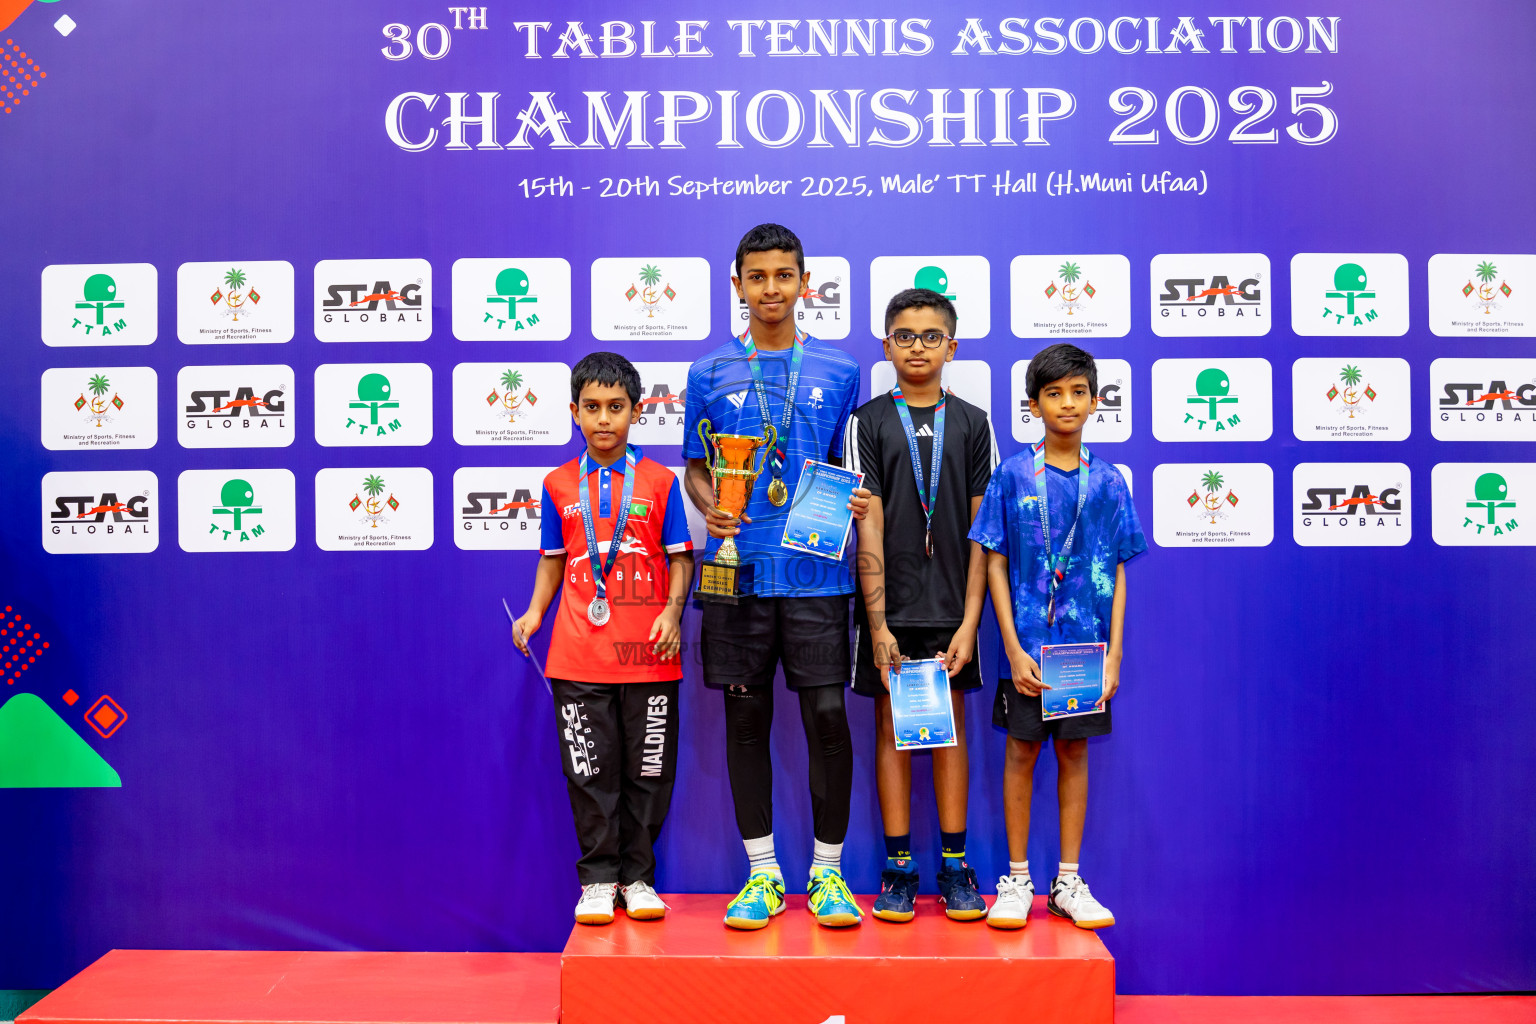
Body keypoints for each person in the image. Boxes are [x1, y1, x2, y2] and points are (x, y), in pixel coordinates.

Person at [682, 223, 871, 930]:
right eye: (756, 277)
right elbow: (698, 468)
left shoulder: (838, 370)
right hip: (738, 571)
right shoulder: (707, 373)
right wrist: (712, 508)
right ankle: (762, 876)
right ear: (737, 285)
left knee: (827, 716)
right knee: (745, 715)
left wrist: (856, 497)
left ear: (803, 283)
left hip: (818, 574)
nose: (770, 289)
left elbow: (848, 463)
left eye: (783, 276)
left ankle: (827, 874)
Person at [968, 343, 1146, 931]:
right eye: (1053, 394)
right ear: (1033, 404)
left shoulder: (1110, 480)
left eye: (1077, 392)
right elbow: (993, 561)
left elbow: (1118, 568)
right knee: (1020, 752)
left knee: (1073, 752)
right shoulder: (1013, 474)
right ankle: (1017, 878)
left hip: (1086, 653)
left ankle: (1068, 879)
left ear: (1095, 401)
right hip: (1027, 653)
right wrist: (1013, 648)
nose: (1066, 404)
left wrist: (1115, 654)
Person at [514, 352, 695, 926]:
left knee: (647, 774)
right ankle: (598, 880)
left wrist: (672, 612)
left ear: (636, 412)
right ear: (573, 412)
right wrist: (534, 612)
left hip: (650, 656)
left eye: (616, 408)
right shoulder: (557, 483)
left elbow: (681, 559)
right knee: (589, 773)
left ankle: (638, 879)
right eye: (591, 408)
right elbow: (553, 559)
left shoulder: (661, 481)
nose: (604, 419)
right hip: (578, 655)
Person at [846, 288, 997, 923]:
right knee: (891, 730)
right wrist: (877, 624)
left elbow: (983, 534)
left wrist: (970, 623)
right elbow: (869, 525)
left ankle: (956, 866)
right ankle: (899, 867)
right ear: (886, 345)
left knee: (948, 731)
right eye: (904, 336)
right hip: (893, 609)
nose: (917, 346)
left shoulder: (974, 422)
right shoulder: (869, 421)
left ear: (951, 347)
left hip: (953, 611)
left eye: (930, 336)